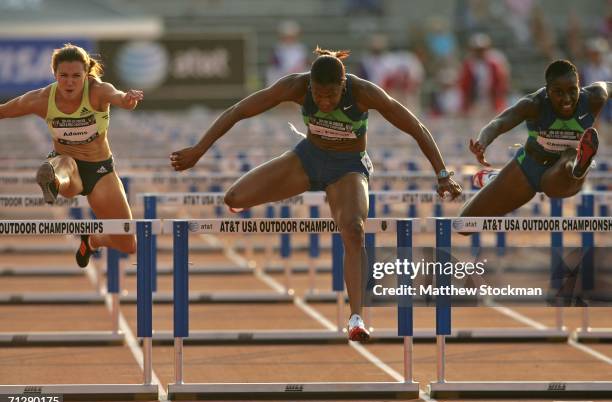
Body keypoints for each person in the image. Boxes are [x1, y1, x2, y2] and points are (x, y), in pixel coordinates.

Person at [170, 47, 462, 342]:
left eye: (331, 96)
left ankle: (356, 317)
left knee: (354, 230)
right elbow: (238, 111)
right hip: (307, 160)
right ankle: (292, 191)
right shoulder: (295, 86)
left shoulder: (364, 93)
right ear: (310, 86)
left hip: (347, 169)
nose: (323, 102)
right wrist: (198, 150)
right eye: (318, 95)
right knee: (233, 198)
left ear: (343, 85)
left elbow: (416, 127)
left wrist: (442, 174)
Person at [0, 44, 143, 267]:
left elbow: (119, 97)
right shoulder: (41, 99)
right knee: (64, 163)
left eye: (76, 76)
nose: (69, 82)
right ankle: (52, 181)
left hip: (100, 171)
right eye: (63, 76)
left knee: (128, 244)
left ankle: (92, 241)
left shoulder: (98, 91)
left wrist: (127, 99)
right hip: (68, 168)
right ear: (55, 74)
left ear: (86, 74)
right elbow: (4, 111)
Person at [462, 59, 609, 219]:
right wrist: (482, 142)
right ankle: (498, 177)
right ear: (547, 91)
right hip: (529, 168)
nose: (567, 99)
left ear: (579, 86)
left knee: (566, 161)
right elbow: (498, 123)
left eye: (573, 91)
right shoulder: (533, 104)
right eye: (559, 92)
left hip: (564, 179)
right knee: (465, 222)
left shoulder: (595, 97)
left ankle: (578, 164)